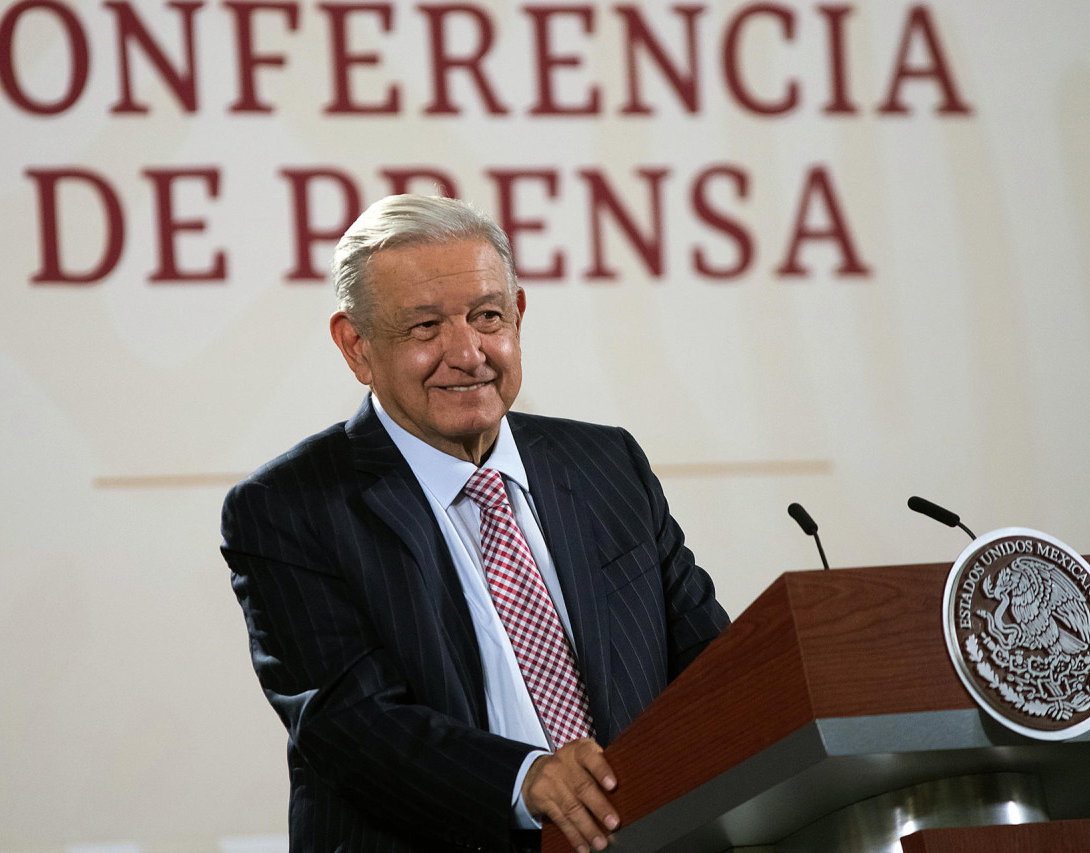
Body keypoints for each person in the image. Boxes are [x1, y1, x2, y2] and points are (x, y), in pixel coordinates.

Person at [221, 195, 730, 853]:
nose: (467, 353)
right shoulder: (289, 507)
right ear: (357, 346)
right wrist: (530, 780)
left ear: (518, 314)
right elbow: (352, 723)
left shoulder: (608, 464)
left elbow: (712, 667)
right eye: (425, 327)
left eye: (487, 316)